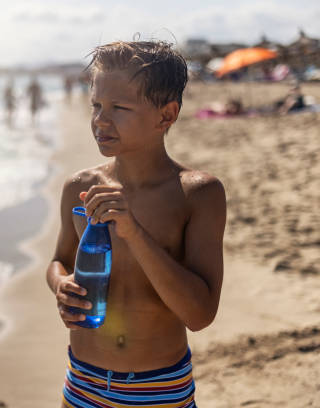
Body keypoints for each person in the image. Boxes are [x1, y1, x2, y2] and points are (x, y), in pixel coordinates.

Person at [46, 40, 226, 407]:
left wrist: (133, 233)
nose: (100, 119)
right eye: (96, 105)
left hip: (159, 389)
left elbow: (200, 314)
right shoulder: (80, 188)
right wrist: (61, 284)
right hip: (82, 381)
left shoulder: (196, 194)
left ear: (166, 115)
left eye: (119, 108)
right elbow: (58, 260)